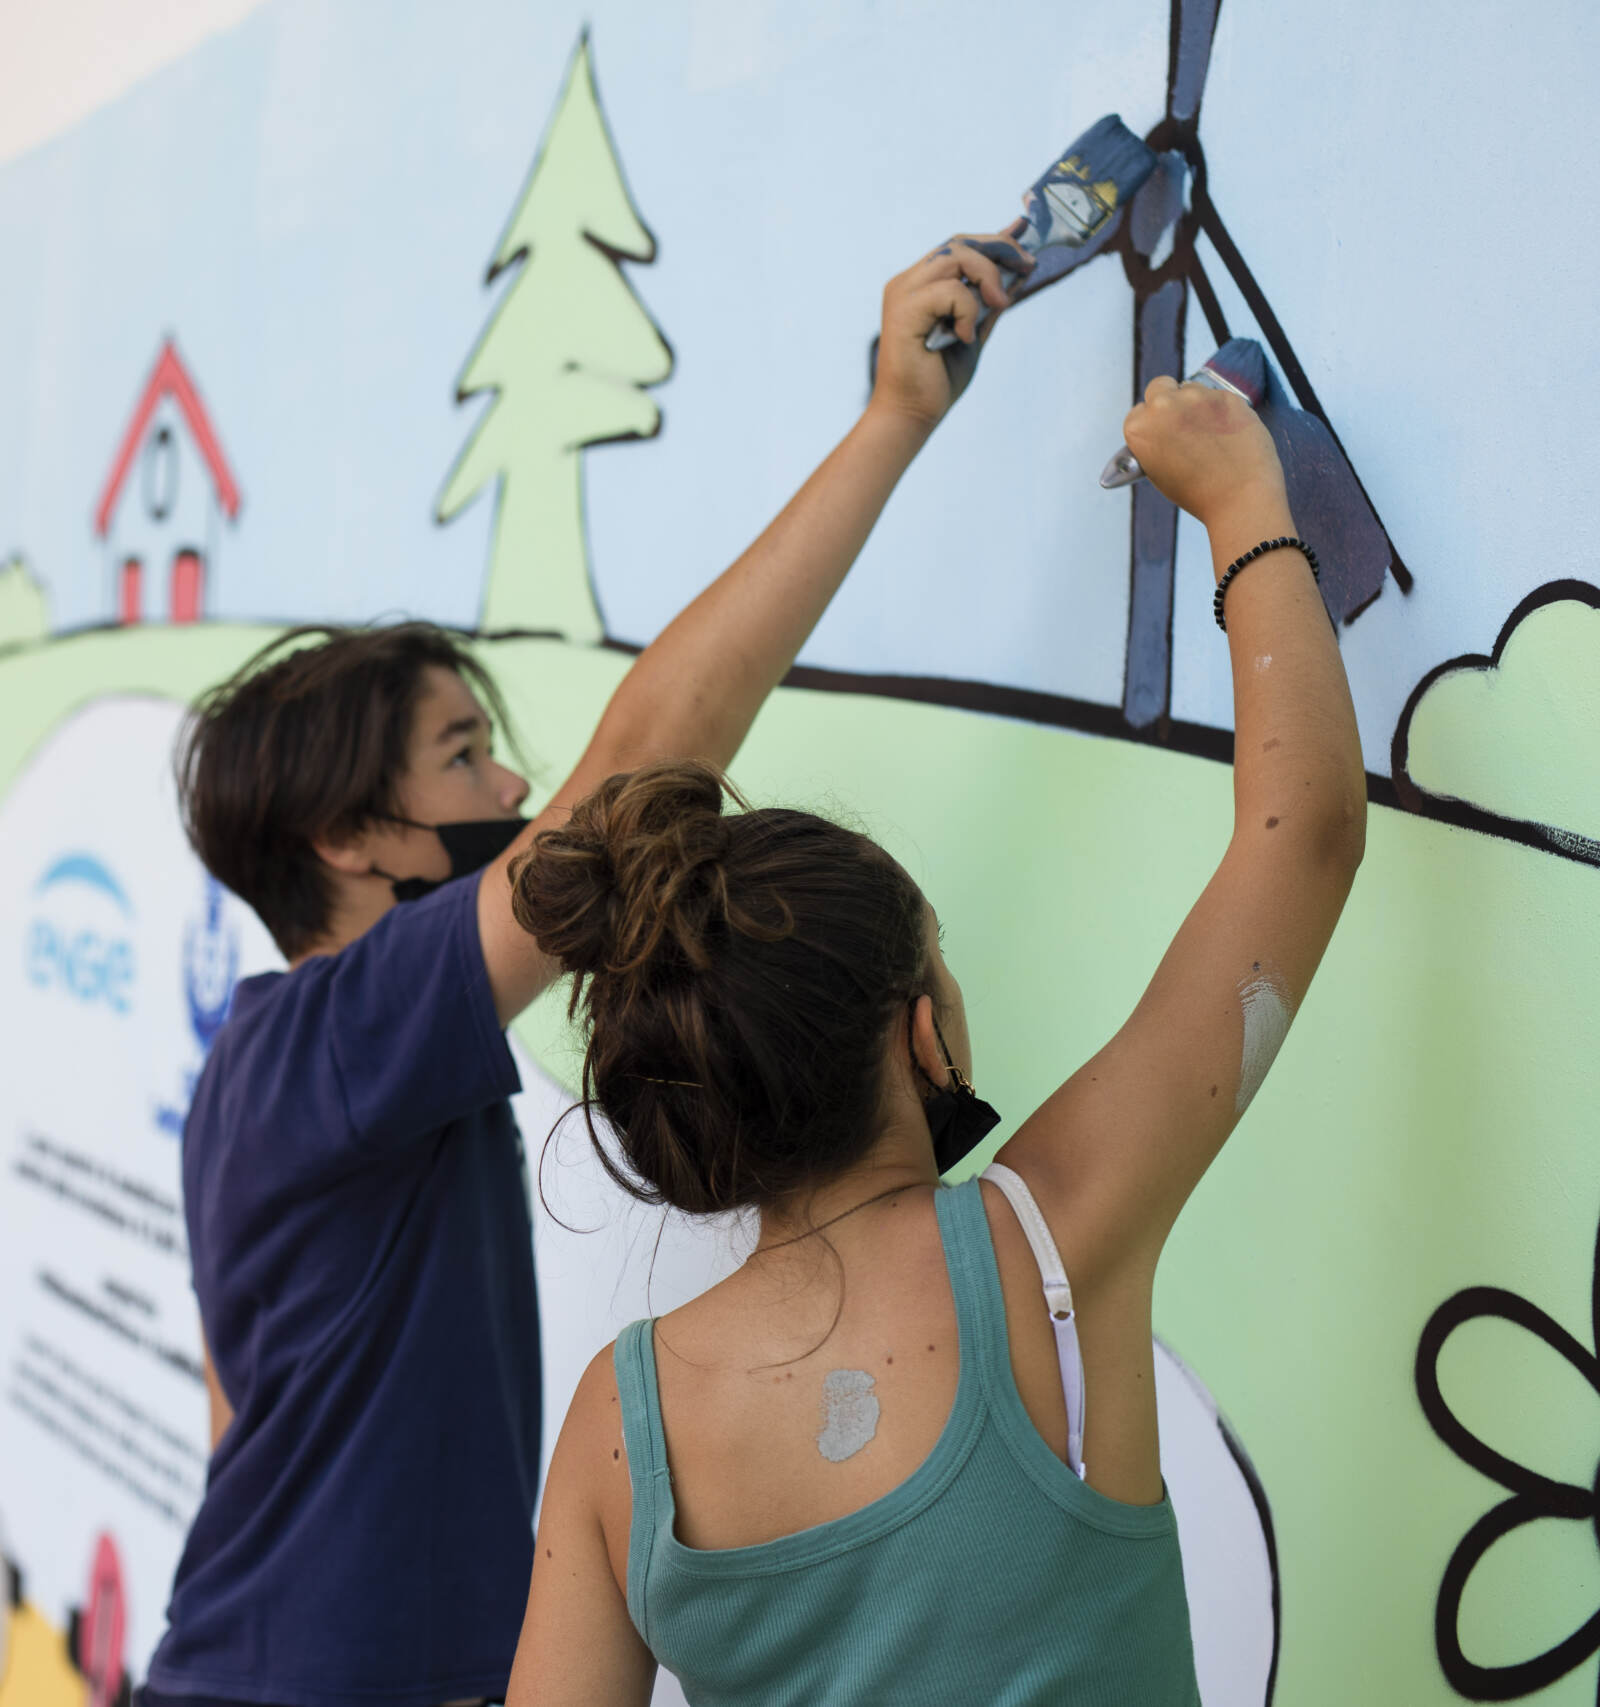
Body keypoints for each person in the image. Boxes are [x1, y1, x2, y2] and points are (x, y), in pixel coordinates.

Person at [140, 231, 1032, 1706]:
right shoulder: (333, 1037)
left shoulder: (273, 1068)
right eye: (462, 754)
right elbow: (627, 784)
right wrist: (893, 419)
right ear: (357, 837)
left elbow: (242, 1404)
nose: (512, 777)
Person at [500, 387, 1363, 1700]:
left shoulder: (621, 1431)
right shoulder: (1051, 1241)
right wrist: (1243, 495)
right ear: (922, 1033)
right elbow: (1304, 833)